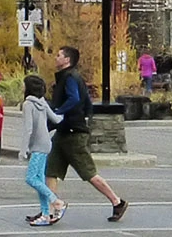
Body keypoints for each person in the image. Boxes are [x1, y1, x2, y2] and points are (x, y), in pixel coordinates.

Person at [45, 45, 127, 220]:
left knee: (88, 173)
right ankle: (49, 210)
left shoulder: (70, 77)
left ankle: (117, 201)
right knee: (50, 171)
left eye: (59, 55)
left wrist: (57, 113)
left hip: (74, 134)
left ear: (67, 60)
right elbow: (87, 103)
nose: (55, 57)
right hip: (63, 132)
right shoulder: (68, 78)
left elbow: (74, 99)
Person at [19, 72, 62, 227]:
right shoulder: (42, 102)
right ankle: (45, 213)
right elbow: (56, 119)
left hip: (37, 145)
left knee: (31, 178)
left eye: (24, 84)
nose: (22, 87)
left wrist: (23, 150)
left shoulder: (28, 104)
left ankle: (56, 202)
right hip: (46, 144)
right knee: (39, 179)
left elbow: (28, 129)